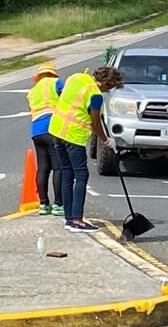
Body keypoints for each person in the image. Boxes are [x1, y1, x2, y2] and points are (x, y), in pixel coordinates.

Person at [49, 66, 124, 233]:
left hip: (57, 130)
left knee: (67, 174)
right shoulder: (95, 95)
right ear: (104, 83)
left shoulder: (75, 77)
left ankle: (69, 218)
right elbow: (95, 123)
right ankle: (77, 220)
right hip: (73, 136)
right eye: (109, 88)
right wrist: (106, 140)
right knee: (81, 175)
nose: (107, 91)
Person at [26, 62, 64, 216]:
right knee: (58, 167)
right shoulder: (56, 83)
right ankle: (58, 204)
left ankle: (43, 204)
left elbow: (31, 109)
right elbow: (67, 97)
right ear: (52, 74)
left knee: (43, 168)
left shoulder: (32, 91)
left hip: (37, 131)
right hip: (52, 128)